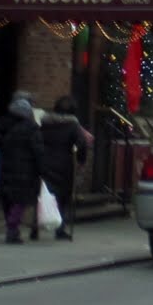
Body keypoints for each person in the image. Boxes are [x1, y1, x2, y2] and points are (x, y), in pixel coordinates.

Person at [0, 93, 45, 243]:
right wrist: (42, 169)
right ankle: (12, 229)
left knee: (7, 199)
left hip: (5, 167)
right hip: (26, 170)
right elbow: (38, 151)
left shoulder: (2, 123)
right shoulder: (32, 128)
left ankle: (11, 227)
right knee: (20, 201)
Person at [38, 95, 89, 242]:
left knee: (44, 194)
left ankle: (36, 227)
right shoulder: (72, 125)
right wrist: (81, 159)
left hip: (45, 161)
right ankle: (60, 229)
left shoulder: (44, 123)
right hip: (63, 163)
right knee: (62, 197)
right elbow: (82, 143)